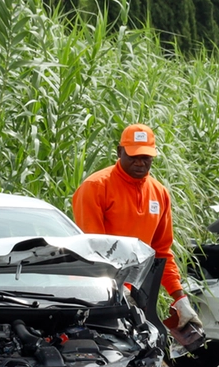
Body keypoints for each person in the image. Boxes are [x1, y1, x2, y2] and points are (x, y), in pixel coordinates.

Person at [71, 124, 198, 330]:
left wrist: (180, 298)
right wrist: (117, 288)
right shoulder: (96, 187)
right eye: (133, 156)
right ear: (119, 152)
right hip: (97, 293)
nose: (140, 163)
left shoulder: (159, 193)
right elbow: (93, 250)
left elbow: (162, 252)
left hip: (138, 292)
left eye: (146, 157)